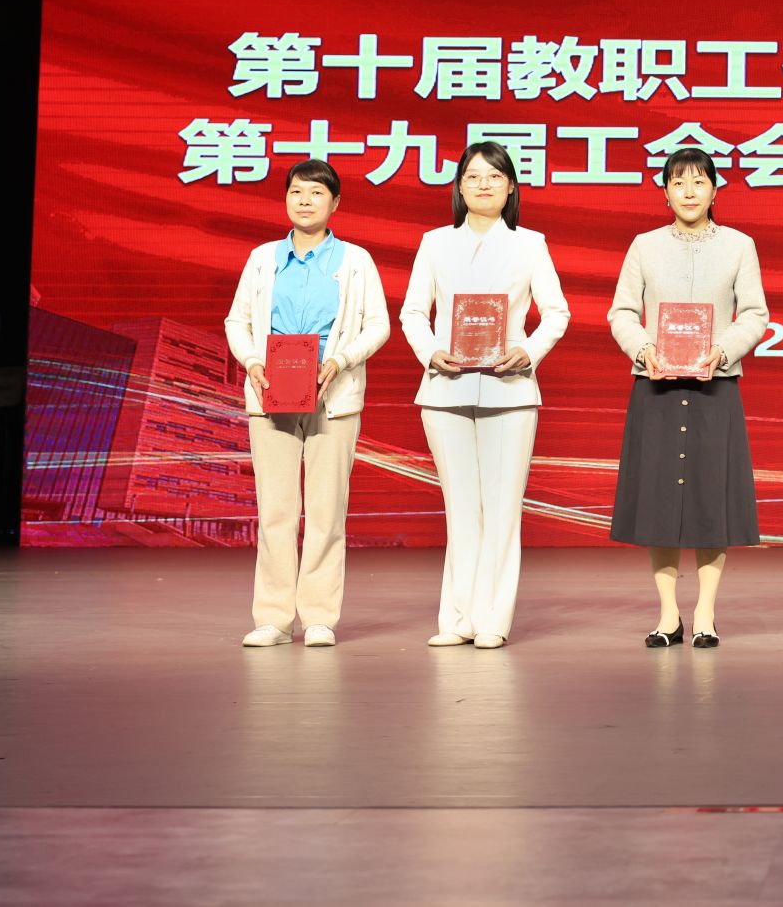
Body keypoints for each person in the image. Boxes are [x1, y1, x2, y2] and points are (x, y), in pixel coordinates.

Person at [401, 143, 570, 650]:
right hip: (445, 388)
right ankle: (457, 619)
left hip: (510, 389)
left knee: (501, 508)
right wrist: (431, 352)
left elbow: (556, 312)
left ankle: (493, 619)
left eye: (494, 177)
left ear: (511, 187)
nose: (483, 184)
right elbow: (413, 312)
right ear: (459, 186)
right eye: (473, 176)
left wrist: (528, 350)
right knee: (460, 507)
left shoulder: (530, 244)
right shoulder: (435, 243)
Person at [223, 159, 391, 649]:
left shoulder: (355, 260)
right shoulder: (262, 258)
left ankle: (319, 616)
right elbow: (237, 322)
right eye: (297, 191)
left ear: (335, 203)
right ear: (285, 199)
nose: (305, 200)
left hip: (332, 395)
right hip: (271, 392)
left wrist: (340, 360)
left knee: (326, 510)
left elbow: (378, 325)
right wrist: (253, 361)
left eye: (317, 193)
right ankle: (274, 619)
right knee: (275, 510)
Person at [607, 149, 770, 649]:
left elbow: (755, 314)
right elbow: (622, 312)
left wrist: (723, 350)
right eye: (678, 183)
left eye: (699, 182)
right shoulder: (644, 246)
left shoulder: (739, 246)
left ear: (715, 190)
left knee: (710, 499)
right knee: (659, 501)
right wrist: (644, 350)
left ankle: (705, 612)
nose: (689, 192)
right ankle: (667, 614)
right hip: (656, 385)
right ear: (665, 193)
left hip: (715, 386)